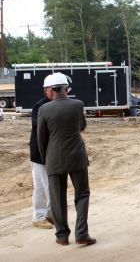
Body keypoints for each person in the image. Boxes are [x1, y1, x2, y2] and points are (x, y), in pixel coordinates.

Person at [37, 72, 96, 246]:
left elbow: (41, 138)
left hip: (54, 158)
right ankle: (81, 234)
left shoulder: (44, 109)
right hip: (77, 156)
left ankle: (62, 236)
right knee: (82, 194)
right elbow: (82, 126)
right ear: (66, 88)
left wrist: (46, 159)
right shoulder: (78, 104)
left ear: (51, 90)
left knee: (57, 198)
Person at [29, 79, 54, 229]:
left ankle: (43, 215)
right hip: (39, 151)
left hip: (52, 151)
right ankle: (41, 216)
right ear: (46, 90)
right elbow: (41, 126)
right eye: (53, 89)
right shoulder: (39, 106)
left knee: (44, 185)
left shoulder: (57, 104)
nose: (57, 92)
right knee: (43, 185)